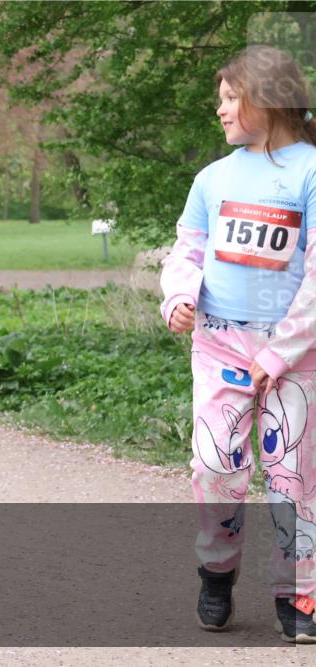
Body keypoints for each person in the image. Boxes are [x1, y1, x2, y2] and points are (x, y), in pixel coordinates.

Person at [160, 45, 316, 643]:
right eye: (220, 99)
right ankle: (217, 573)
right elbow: (188, 250)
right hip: (220, 347)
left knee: (292, 477)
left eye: (231, 98)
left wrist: (280, 353)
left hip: (294, 358)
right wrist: (179, 295)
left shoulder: (308, 171)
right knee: (213, 465)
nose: (220, 110)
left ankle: (297, 593)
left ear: (267, 98)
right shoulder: (213, 178)